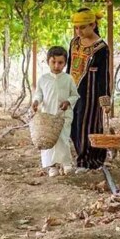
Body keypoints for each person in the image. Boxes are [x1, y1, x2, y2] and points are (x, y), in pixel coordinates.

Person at [68, 8, 111, 171]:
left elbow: (104, 75)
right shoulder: (74, 43)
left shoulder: (101, 47)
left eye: (82, 27)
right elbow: (69, 67)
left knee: (87, 125)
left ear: (93, 25)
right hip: (73, 88)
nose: (78, 31)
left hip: (91, 91)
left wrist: (105, 99)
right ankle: (83, 155)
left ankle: (86, 161)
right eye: (76, 28)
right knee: (73, 125)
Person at [32, 46, 79, 176]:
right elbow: (39, 95)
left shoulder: (68, 79)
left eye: (60, 62)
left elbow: (75, 95)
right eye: (53, 62)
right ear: (48, 61)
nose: (57, 65)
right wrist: (36, 102)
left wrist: (68, 102)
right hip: (48, 116)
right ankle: (52, 166)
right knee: (48, 140)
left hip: (64, 114)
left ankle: (66, 164)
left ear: (65, 63)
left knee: (63, 138)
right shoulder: (43, 79)